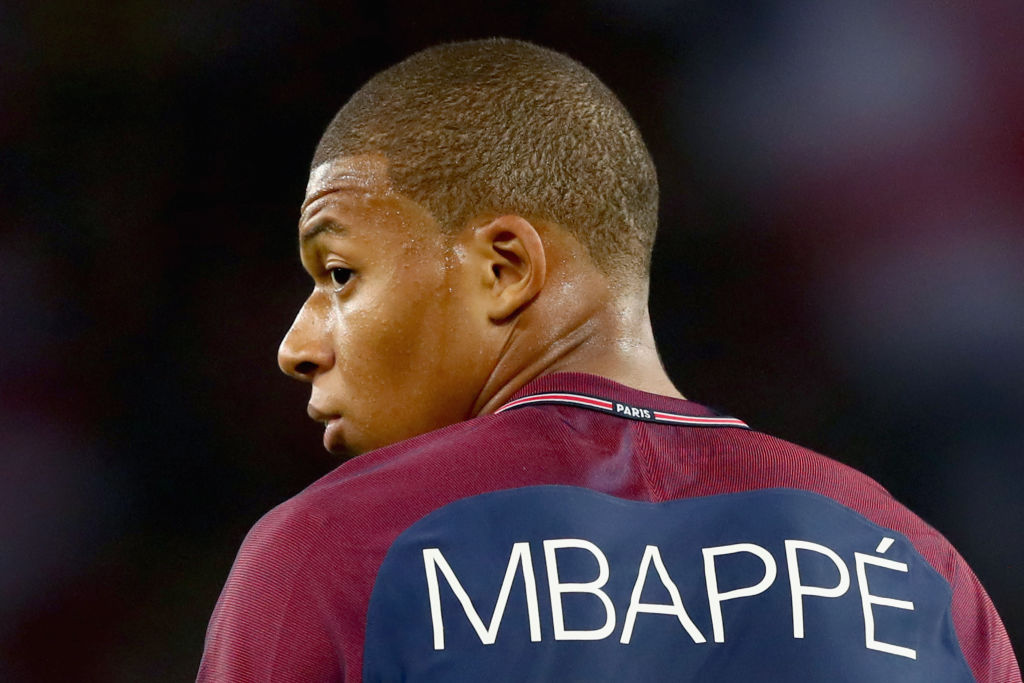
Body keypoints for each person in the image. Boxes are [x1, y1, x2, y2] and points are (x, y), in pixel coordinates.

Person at [196, 38, 1019, 682]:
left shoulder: (335, 549)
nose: (297, 346)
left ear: (505, 268)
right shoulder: (918, 566)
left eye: (341, 274)